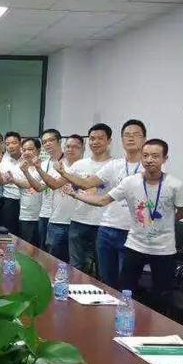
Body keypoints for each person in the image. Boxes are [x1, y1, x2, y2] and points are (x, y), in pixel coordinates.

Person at [67, 139, 183, 301]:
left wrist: (161, 223)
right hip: (135, 245)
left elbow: (182, 212)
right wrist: (76, 195)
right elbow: (102, 200)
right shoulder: (130, 182)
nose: (149, 160)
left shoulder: (175, 185)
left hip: (164, 249)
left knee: (162, 295)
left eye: (155, 156)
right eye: (145, 155)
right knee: (126, 290)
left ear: (165, 158)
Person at [58, 119, 146, 288]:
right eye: (127, 135)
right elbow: (87, 184)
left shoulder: (149, 167)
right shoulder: (114, 165)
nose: (131, 138)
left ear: (144, 139)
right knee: (106, 280)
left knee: (127, 282)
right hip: (107, 228)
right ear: (121, 139)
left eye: (136, 135)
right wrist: (64, 173)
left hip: (132, 232)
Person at [47, 124, 113, 274]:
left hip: (103, 223)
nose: (95, 142)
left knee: (102, 269)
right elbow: (55, 184)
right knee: (75, 266)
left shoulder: (114, 165)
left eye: (100, 138)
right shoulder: (79, 164)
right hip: (78, 221)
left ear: (109, 141)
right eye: (92, 138)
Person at [33, 134, 84, 262]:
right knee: (52, 260)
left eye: (75, 147)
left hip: (78, 222)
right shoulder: (58, 166)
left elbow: (55, 184)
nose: (70, 149)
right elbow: (41, 187)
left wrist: (40, 170)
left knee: (74, 263)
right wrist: (30, 171)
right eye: (68, 147)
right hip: (57, 221)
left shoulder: (85, 166)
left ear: (83, 148)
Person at [8, 138, 44, 246]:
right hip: (26, 215)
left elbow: (29, 184)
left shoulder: (45, 166)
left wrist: (14, 180)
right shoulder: (19, 168)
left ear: (38, 150)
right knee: (27, 248)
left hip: (44, 216)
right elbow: (23, 184)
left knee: (43, 250)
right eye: (24, 150)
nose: (26, 152)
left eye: (30, 149)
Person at [35, 129, 64, 251]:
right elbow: (39, 187)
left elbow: (54, 185)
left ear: (60, 141)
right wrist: (26, 172)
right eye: (44, 142)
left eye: (51, 140)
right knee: (43, 251)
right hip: (44, 213)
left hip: (61, 217)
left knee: (57, 254)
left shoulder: (67, 161)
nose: (47, 144)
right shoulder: (44, 163)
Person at [0, 131, 23, 235]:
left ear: (20, 143)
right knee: (10, 234)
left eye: (14, 143)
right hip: (10, 201)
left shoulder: (27, 159)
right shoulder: (4, 162)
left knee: (26, 234)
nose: (10, 146)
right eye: (7, 144)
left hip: (27, 201)